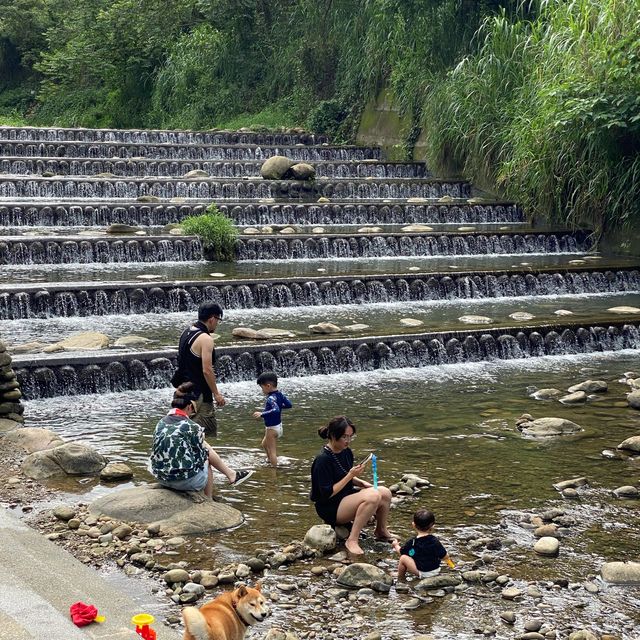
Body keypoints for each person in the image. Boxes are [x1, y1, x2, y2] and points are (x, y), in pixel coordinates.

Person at [310, 415, 395, 556]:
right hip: (329, 506)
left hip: (345, 496)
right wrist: (351, 475)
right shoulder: (322, 460)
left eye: (350, 436)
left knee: (384, 492)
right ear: (332, 435)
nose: (348, 441)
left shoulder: (346, 452)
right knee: (373, 496)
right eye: (344, 437)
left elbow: (344, 474)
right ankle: (352, 539)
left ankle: (381, 530)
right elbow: (326, 493)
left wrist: (362, 483)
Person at [151, 382, 253, 497]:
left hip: (161, 478)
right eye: (193, 410)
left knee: (202, 448)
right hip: (183, 483)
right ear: (189, 407)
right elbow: (202, 455)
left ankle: (231, 474)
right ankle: (209, 499)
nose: (192, 413)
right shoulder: (192, 427)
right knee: (206, 457)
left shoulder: (160, 423)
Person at [172, 301, 225, 437]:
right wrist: (216, 394)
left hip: (183, 392)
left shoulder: (186, 332)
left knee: (184, 432)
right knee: (204, 436)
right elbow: (207, 370)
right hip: (199, 395)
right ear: (212, 318)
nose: (217, 324)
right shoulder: (206, 339)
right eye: (218, 320)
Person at [391, 508, 452, 580]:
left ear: (413, 525)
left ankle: (400, 576)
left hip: (423, 573)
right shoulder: (435, 541)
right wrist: (451, 564)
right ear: (432, 526)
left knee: (403, 558)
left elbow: (401, 551)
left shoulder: (412, 542)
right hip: (436, 570)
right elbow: (445, 556)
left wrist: (396, 545)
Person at [252, 371, 292, 467]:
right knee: (264, 444)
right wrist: (279, 406)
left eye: (262, 387)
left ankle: (273, 471)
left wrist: (262, 414)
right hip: (278, 427)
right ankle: (269, 459)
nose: (262, 390)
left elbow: (275, 410)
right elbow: (289, 405)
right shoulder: (280, 395)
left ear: (268, 386)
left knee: (273, 451)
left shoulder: (271, 398)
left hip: (271, 429)